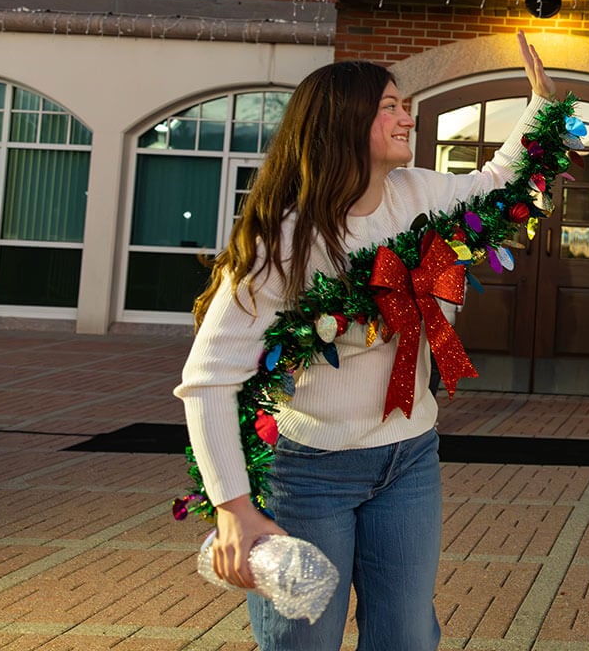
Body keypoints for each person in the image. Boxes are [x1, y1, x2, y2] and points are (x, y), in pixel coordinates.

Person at [175, 32, 555, 650]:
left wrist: (539, 104)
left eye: (404, 104)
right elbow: (210, 378)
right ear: (344, 124)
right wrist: (234, 509)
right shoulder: (285, 244)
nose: (407, 115)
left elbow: (498, 185)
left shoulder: (419, 197)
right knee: (305, 640)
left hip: (408, 461)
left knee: (405, 638)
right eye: (389, 106)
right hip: (307, 474)